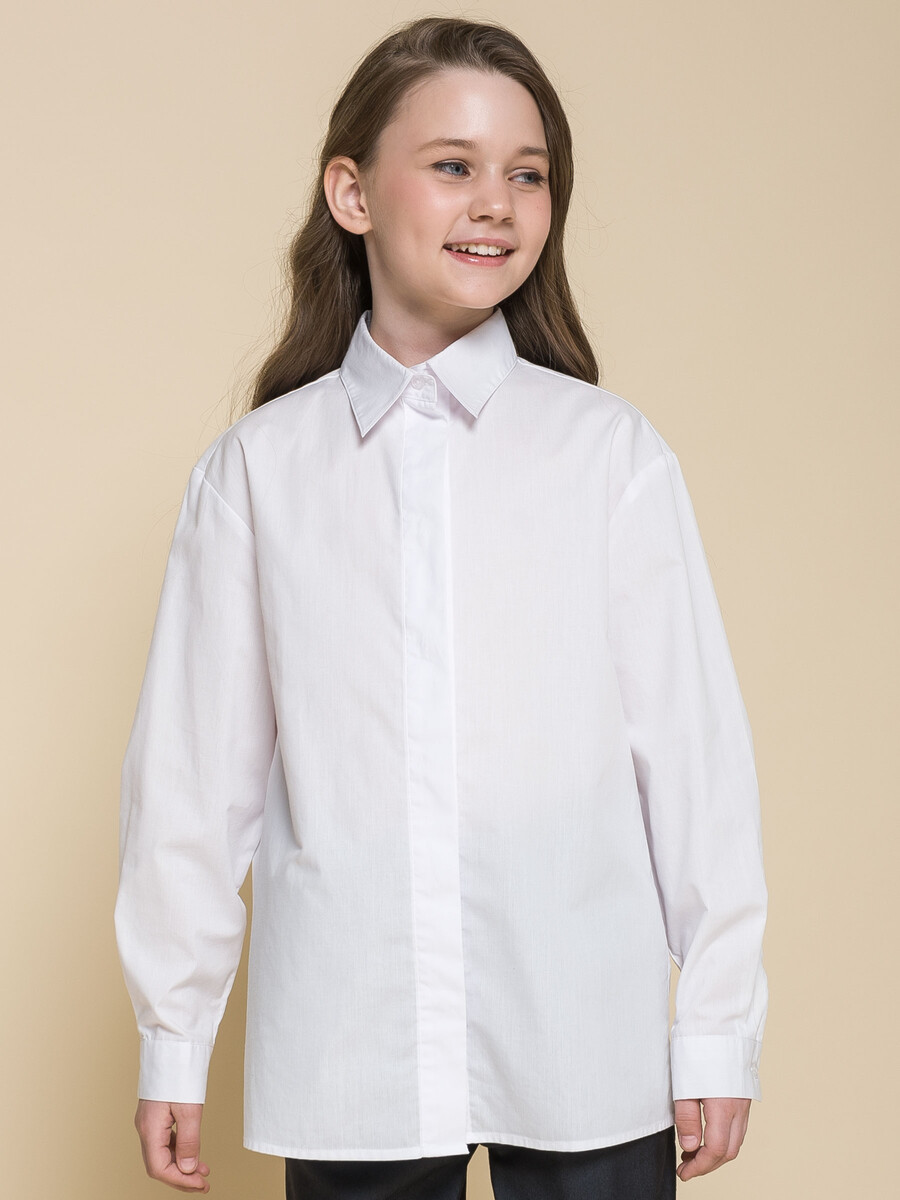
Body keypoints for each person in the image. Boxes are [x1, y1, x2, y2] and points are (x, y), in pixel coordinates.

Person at [114, 15, 768, 1199]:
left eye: (529, 174)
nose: (497, 205)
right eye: (455, 165)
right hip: (353, 1039)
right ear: (353, 193)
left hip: (580, 1031)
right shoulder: (258, 473)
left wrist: (717, 1024)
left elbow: (693, 760)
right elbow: (194, 785)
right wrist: (174, 1036)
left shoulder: (608, 456)